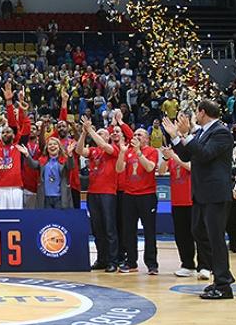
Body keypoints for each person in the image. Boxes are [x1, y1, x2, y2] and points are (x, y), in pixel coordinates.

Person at [163, 101, 236, 300]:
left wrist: (187, 134)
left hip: (215, 194)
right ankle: (222, 275)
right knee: (198, 231)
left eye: (197, 112)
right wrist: (175, 136)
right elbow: (187, 154)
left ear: (203, 113)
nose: (195, 115)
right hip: (202, 193)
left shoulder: (221, 132)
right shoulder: (203, 132)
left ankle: (223, 285)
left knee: (215, 238)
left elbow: (204, 155)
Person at [159, 146, 210, 279]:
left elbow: (191, 167)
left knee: (199, 234)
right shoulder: (172, 158)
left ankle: (205, 266)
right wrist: (165, 158)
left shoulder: (193, 154)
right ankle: (187, 265)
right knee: (182, 236)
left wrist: (174, 157)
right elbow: (161, 171)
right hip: (177, 202)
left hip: (193, 202)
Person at [75, 117, 119, 272]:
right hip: (92, 192)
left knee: (109, 228)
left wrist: (91, 130)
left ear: (108, 136)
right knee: (97, 228)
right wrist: (83, 133)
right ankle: (102, 259)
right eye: (98, 133)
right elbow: (79, 151)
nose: (99, 135)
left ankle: (113, 261)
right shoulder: (93, 151)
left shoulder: (113, 149)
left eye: (102, 133)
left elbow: (104, 145)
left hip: (108, 193)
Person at [116, 128, 160, 275]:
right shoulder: (128, 152)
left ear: (146, 138)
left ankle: (152, 264)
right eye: (134, 135)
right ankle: (131, 262)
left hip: (147, 195)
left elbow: (150, 167)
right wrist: (122, 152)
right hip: (129, 195)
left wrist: (138, 152)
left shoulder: (152, 151)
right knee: (129, 231)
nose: (136, 136)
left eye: (139, 135)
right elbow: (119, 169)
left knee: (149, 231)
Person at [22, 136, 76, 208]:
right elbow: (33, 165)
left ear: (59, 147)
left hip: (60, 197)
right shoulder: (42, 160)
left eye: (55, 144)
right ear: (47, 148)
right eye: (50, 144)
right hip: (45, 198)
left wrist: (70, 155)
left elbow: (71, 166)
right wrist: (27, 154)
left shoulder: (64, 160)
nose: (52, 146)